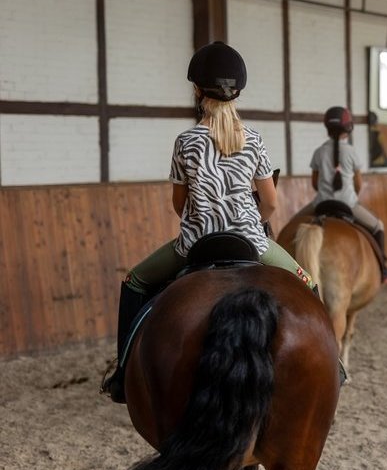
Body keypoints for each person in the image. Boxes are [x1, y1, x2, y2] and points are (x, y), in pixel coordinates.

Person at [101, 41, 313, 403]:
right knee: (308, 283)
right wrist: (251, 222)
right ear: (237, 94)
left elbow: (179, 204)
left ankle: (123, 373)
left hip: (197, 242)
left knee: (134, 281)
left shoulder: (186, 141)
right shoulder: (255, 140)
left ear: (198, 91)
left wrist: (206, 217)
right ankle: (332, 365)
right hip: (251, 240)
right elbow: (271, 202)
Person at [311, 106, 387, 282]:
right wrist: (352, 196)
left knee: (295, 222)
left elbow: (315, 183)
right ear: (348, 129)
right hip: (348, 205)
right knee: (378, 226)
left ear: (327, 129)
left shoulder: (319, 152)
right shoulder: (352, 152)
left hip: (321, 203)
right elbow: (358, 184)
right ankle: (383, 268)